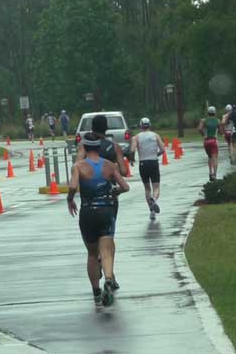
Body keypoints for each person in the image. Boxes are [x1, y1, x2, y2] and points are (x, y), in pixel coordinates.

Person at [67, 132, 130, 307]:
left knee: (92, 254)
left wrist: (70, 199)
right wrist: (115, 191)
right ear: (99, 148)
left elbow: (73, 186)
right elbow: (125, 186)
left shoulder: (78, 166)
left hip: (88, 212)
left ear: (85, 147)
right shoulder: (110, 166)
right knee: (107, 251)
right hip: (107, 211)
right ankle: (108, 279)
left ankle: (96, 292)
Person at [129, 117, 165, 220]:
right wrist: (155, 155)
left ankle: (151, 211)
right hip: (153, 162)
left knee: (147, 188)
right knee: (156, 187)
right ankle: (154, 199)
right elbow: (162, 149)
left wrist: (131, 160)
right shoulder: (155, 135)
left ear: (140, 126)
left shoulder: (136, 137)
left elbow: (132, 150)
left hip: (143, 163)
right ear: (149, 125)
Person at [198, 106, 222, 181]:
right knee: (215, 158)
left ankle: (210, 172)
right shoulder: (218, 121)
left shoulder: (203, 120)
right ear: (215, 113)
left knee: (210, 157)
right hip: (214, 141)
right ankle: (214, 174)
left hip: (206, 141)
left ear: (207, 113)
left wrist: (203, 135)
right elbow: (221, 131)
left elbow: (199, 129)